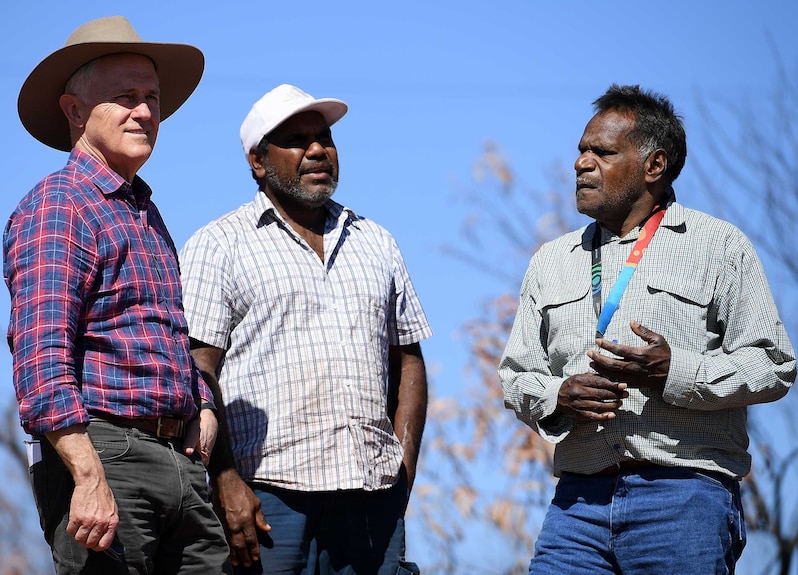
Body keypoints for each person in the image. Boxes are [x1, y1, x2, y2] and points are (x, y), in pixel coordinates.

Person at [498, 84, 795, 574]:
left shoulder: (719, 247)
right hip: (576, 505)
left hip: (684, 500)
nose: (581, 163)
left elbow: (775, 365)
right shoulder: (550, 262)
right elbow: (516, 376)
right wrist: (560, 396)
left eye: (603, 152)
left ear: (654, 166)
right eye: (581, 150)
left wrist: (675, 370)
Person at [3, 16, 231, 574]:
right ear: (74, 111)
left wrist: (201, 403)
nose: (147, 112)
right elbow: (40, 353)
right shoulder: (60, 206)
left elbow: (161, 333)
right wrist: (87, 475)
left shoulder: (144, 213)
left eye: (152, 97)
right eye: (125, 97)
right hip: (107, 457)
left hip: (175, 462)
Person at [179, 83, 432, 575]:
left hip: (371, 499)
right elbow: (196, 369)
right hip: (266, 500)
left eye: (325, 138)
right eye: (297, 139)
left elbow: (409, 364)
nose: (318, 150)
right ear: (258, 161)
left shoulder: (376, 242)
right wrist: (225, 481)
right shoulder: (218, 245)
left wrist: (403, 473)